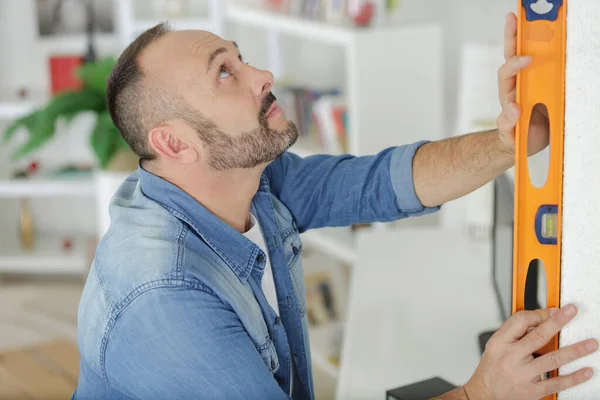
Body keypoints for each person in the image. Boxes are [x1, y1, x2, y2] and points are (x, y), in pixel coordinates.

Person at [73, 12, 597, 400]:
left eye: (240, 57)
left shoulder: (250, 180)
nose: (262, 75)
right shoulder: (166, 298)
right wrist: (479, 393)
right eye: (225, 73)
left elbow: (381, 183)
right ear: (175, 145)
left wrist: (510, 141)